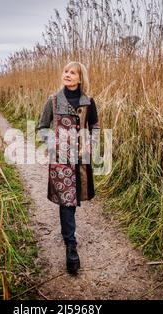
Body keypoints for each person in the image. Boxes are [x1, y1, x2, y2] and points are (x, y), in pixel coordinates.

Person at [36, 61, 100, 275]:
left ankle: (69, 238)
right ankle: (71, 247)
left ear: (80, 79)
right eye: (65, 71)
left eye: (73, 73)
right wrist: (52, 144)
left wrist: (90, 145)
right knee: (67, 201)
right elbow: (42, 127)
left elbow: (95, 126)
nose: (68, 75)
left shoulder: (88, 103)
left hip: (80, 160)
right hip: (60, 160)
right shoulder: (53, 101)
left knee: (73, 199)